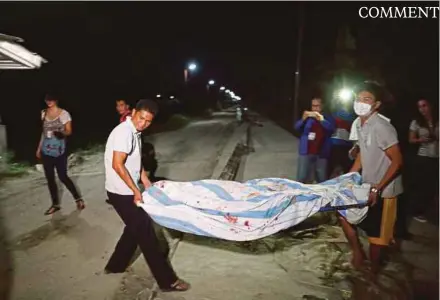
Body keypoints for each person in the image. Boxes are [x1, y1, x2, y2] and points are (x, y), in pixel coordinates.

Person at [104, 99, 190, 292]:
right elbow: (117, 165)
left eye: (148, 121)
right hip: (121, 192)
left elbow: (135, 162)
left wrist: (146, 183)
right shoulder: (123, 133)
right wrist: (136, 191)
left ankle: (116, 265)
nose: (143, 123)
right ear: (133, 112)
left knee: (134, 229)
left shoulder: (135, 132)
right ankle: (168, 281)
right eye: (141, 118)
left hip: (126, 190)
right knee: (149, 238)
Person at [339, 82, 403, 276]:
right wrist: (348, 177)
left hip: (385, 189)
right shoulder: (359, 124)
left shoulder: (382, 126)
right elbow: (362, 155)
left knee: (377, 237)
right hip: (365, 184)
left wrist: (377, 188)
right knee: (344, 215)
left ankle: (373, 271)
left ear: (376, 105)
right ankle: (358, 255)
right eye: (358, 98)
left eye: (366, 99)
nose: (360, 103)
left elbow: (398, 160)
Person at [36, 94, 85, 215]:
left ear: (56, 100)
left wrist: (61, 132)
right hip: (46, 151)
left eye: (51, 99)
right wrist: (39, 148)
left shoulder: (64, 114)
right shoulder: (43, 113)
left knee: (63, 176)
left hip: (59, 151)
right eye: (47, 99)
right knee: (50, 179)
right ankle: (55, 204)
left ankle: (78, 199)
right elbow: (43, 133)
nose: (49, 101)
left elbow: (69, 131)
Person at [408, 98, 439, 223]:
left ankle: (429, 210)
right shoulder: (416, 122)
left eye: (424, 105)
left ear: (431, 105)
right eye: (420, 107)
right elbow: (411, 139)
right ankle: (417, 211)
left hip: (437, 155)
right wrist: (421, 140)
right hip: (424, 156)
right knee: (423, 185)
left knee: (434, 186)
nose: (422, 109)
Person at [294, 97, 335, 183]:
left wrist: (321, 120)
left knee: (321, 178)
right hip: (306, 151)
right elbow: (296, 127)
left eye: (317, 106)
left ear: (322, 106)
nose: (315, 108)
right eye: (313, 106)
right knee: (302, 177)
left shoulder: (327, 117)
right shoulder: (308, 118)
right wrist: (303, 119)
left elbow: (331, 129)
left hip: (321, 153)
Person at [328, 109, 356, 178]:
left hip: (346, 145)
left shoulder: (352, 116)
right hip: (334, 144)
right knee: (330, 169)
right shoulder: (332, 114)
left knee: (346, 170)